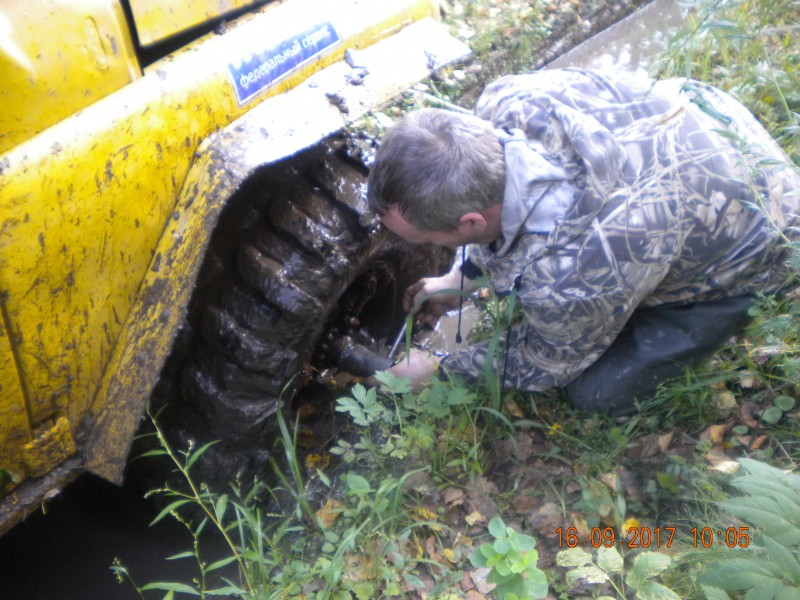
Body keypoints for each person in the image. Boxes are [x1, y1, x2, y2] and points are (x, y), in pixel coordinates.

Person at [366, 68, 800, 414]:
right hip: (715, 126)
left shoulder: (575, 272)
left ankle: (727, 304)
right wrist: (460, 278)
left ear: (472, 222)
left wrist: (439, 367)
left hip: (764, 233)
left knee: (596, 393)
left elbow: (547, 362)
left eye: (427, 235)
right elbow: (501, 205)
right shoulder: (507, 101)